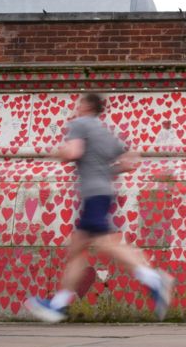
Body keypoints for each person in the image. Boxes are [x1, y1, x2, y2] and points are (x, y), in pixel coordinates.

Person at [26, 93, 174, 322]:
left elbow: (74, 152)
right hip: (103, 193)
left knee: (104, 243)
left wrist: (55, 153)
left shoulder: (80, 124)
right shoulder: (106, 133)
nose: (76, 108)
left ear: (86, 106)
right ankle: (58, 304)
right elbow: (130, 160)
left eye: (79, 104)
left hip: (92, 195)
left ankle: (153, 278)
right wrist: (109, 171)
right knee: (77, 249)